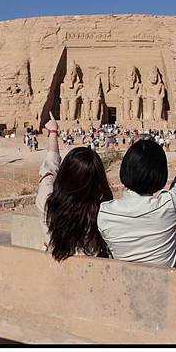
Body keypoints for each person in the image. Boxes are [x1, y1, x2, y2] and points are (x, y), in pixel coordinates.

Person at [97, 138, 176, 268]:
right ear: (161, 175)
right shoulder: (168, 205)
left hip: (126, 284)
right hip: (170, 284)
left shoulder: (105, 213)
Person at [36, 112, 113, 261]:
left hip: (58, 262)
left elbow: (49, 169)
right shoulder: (103, 209)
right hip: (92, 271)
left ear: (65, 173)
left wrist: (53, 132)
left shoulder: (47, 201)